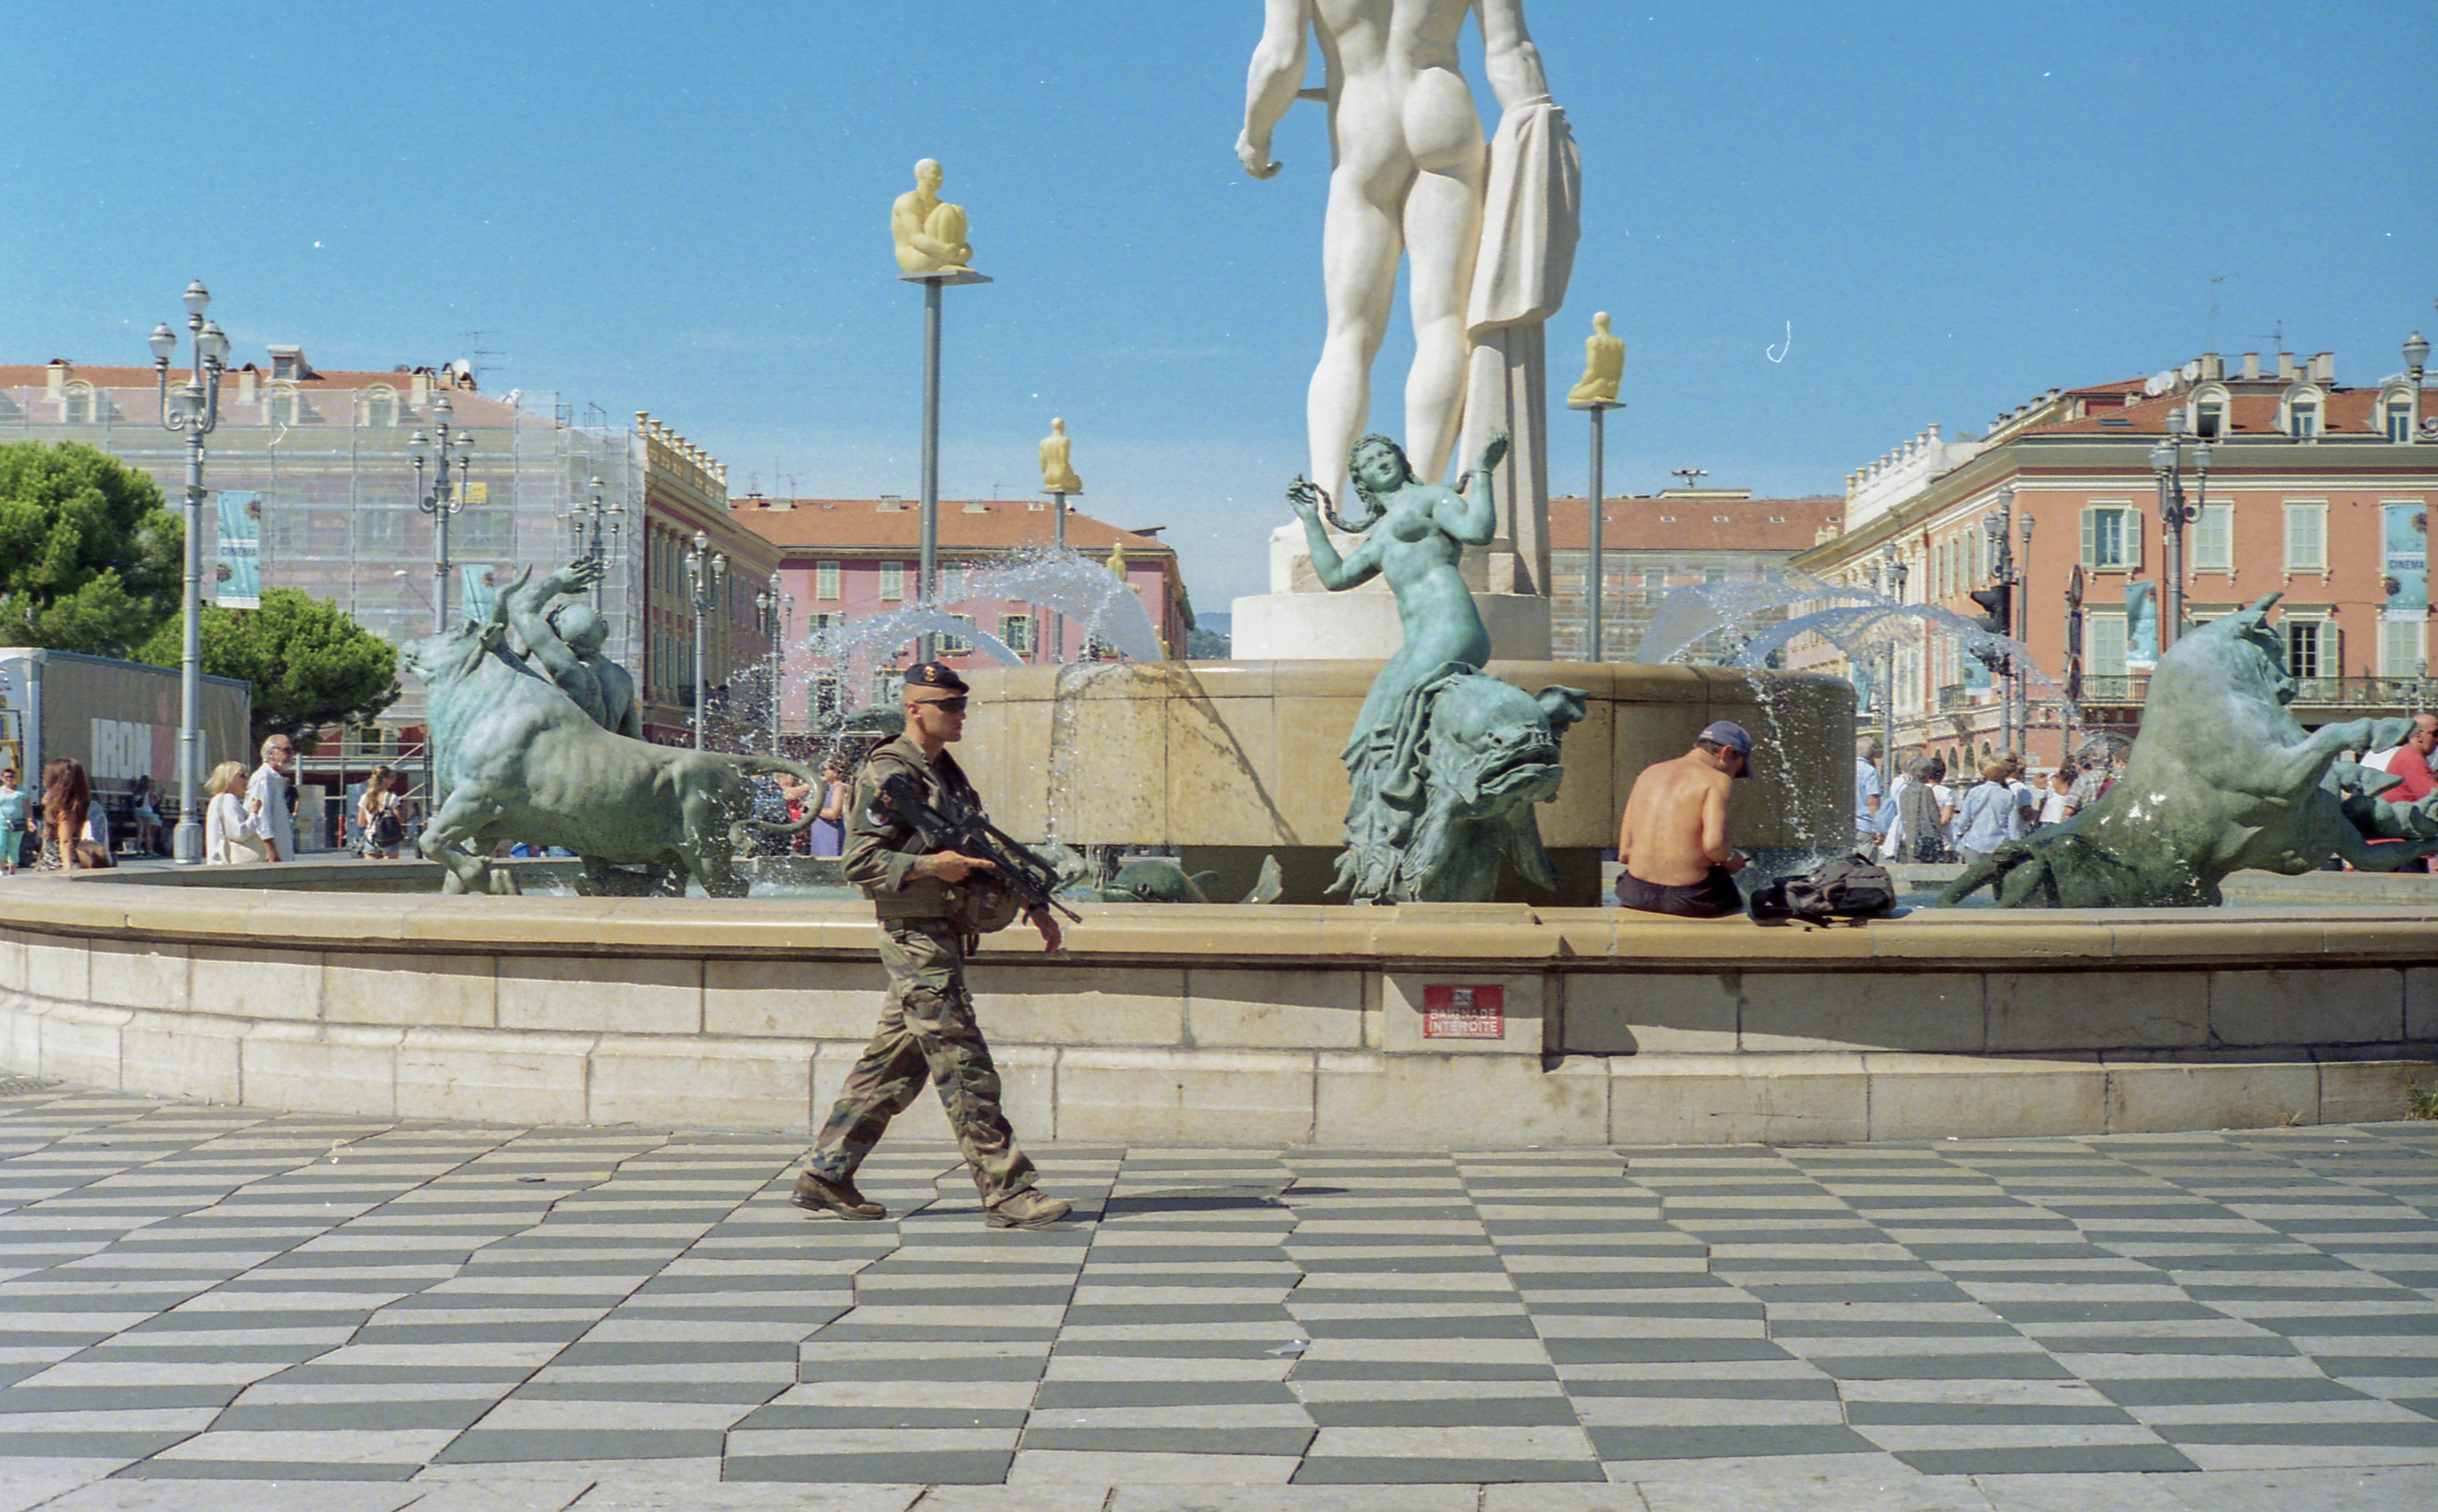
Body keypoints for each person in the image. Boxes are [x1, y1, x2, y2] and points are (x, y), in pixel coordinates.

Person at [1239, 0, 1559, 512]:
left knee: (1349, 335)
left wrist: (1256, 134)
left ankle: (1323, 508)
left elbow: (1281, 58)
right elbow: (1511, 50)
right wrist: (1541, 132)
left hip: (1365, 126)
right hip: (1442, 107)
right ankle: (1424, 506)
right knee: (1443, 323)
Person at [794, 662, 1071, 1231]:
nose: (960, 714)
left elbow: (977, 846)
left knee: (894, 1063)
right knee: (962, 1059)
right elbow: (859, 862)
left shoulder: (943, 771)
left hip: (941, 932)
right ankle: (1009, 1189)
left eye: (962, 704)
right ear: (916, 709)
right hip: (914, 938)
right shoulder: (888, 771)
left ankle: (827, 1172)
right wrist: (930, 865)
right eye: (949, 705)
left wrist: (1032, 901)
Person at [1614, 720, 1753, 918]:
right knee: (1740, 899)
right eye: (1737, 769)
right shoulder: (1716, 780)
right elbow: (1714, 847)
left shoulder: (1649, 773)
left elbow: (1625, 854)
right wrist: (1731, 859)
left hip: (1635, 893)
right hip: (1691, 898)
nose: (1732, 775)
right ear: (1726, 752)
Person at [891, 158, 973, 274]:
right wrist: (945, 249)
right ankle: (947, 261)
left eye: (941, 175)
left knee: (958, 210)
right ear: (922, 175)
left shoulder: (938, 205)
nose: (941, 179)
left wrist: (964, 251)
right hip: (916, 256)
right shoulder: (908, 201)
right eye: (936, 174)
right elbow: (916, 238)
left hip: (937, 253)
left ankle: (952, 261)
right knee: (947, 209)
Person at [1952, 757, 2025, 866]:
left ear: (1984, 774)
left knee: (1975, 878)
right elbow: (2013, 826)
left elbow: (1964, 820)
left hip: (1974, 843)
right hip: (1999, 845)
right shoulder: (2009, 796)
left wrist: (1957, 836)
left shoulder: (1974, 793)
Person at [35, 758, 98, 872]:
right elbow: (64, 841)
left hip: (52, 866)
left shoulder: (59, 806)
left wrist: (67, 870)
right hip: (56, 866)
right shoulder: (69, 807)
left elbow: (59, 840)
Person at [204, 761, 271, 865]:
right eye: (242, 776)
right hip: (229, 866)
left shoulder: (218, 800)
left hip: (219, 864)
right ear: (230, 778)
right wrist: (255, 814)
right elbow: (239, 833)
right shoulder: (228, 799)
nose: (247, 779)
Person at [248, 734, 298, 862]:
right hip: (272, 856)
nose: (292, 755)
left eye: (292, 751)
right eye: (287, 751)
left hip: (282, 852)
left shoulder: (274, 779)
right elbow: (262, 816)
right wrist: (271, 851)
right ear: (271, 754)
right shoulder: (264, 778)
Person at [1566, 311, 1624, 409]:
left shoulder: (1595, 341)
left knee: (1572, 399)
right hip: (1613, 388)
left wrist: (1581, 385)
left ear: (1595, 323)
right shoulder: (1619, 343)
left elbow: (1592, 370)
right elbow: (1619, 370)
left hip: (1598, 386)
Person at [808, 756, 852, 860]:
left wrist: (814, 809)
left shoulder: (840, 788)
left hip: (831, 836)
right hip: (823, 835)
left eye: (826, 769)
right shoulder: (833, 788)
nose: (823, 772)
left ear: (836, 772)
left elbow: (834, 814)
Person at [358, 764, 405, 860]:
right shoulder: (392, 798)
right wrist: (404, 809)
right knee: (390, 871)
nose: (392, 782)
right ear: (385, 780)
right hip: (389, 839)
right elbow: (399, 821)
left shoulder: (365, 798)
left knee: (371, 872)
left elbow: (361, 823)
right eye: (391, 779)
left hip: (371, 839)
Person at [1039, 418, 1083, 495]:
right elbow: (1064, 462)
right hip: (1061, 475)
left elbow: (1043, 465)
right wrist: (1073, 477)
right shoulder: (1065, 441)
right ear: (1063, 427)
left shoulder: (1044, 442)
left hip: (1047, 478)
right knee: (1078, 483)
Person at [1854, 737, 1883, 848]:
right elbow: (1872, 801)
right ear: (1873, 753)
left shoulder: (1846, 769)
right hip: (1864, 826)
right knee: (1865, 863)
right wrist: (1878, 828)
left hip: (1847, 826)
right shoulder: (1870, 772)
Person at [0, 765, 27, 876]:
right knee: (1, 846)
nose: (9, 779)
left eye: (11, 777)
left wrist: (30, 821)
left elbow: (27, 807)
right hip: (2, 824)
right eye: (6, 777)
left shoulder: (21, 791)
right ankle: (1, 870)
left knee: (14, 848)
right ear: (3, 779)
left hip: (17, 824)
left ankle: (12, 872)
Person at [2036, 761, 2079, 831]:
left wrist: (2041, 774)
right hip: (2065, 822)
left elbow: (2037, 783)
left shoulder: (2052, 780)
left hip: (2047, 819)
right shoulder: (2077, 785)